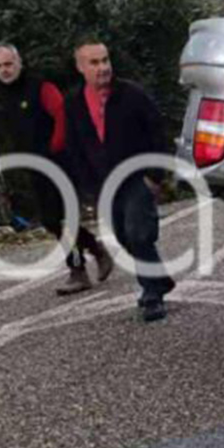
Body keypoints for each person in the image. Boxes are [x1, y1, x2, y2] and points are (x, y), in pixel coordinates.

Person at [63, 39, 176, 322]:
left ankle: (152, 295)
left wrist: (155, 175)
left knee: (139, 234)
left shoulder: (132, 94)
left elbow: (157, 131)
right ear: (80, 67)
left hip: (138, 177)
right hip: (104, 184)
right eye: (94, 62)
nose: (102, 67)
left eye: (105, 60)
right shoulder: (73, 104)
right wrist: (89, 187)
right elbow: (75, 148)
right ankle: (160, 279)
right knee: (124, 237)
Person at [0, 42, 111, 296]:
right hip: (34, 165)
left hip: (59, 162)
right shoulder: (0, 95)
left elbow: (62, 115)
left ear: (19, 62)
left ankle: (78, 270)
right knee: (52, 220)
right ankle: (94, 250)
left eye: (8, 64)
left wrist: (55, 147)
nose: (4, 70)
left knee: (61, 217)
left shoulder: (39, 87)